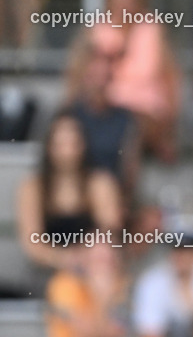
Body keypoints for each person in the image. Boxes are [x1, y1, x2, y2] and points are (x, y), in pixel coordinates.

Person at [88, 0, 181, 162]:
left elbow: (172, 81)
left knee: (129, 128)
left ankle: (123, 187)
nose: (124, 3)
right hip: (108, 111)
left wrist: (170, 133)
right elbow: (83, 77)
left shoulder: (152, 30)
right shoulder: (98, 31)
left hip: (148, 115)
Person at [17, 112, 122, 272]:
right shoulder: (32, 188)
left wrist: (85, 256)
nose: (67, 150)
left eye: (73, 142)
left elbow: (110, 229)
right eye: (61, 143)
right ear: (49, 146)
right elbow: (32, 242)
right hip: (46, 270)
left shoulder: (100, 183)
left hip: (93, 267)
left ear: (84, 143)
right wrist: (64, 259)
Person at [65, 32, 142, 200]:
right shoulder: (67, 116)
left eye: (107, 62)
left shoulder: (126, 119)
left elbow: (130, 176)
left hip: (113, 202)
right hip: (76, 201)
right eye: (94, 62)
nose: (101, 69)